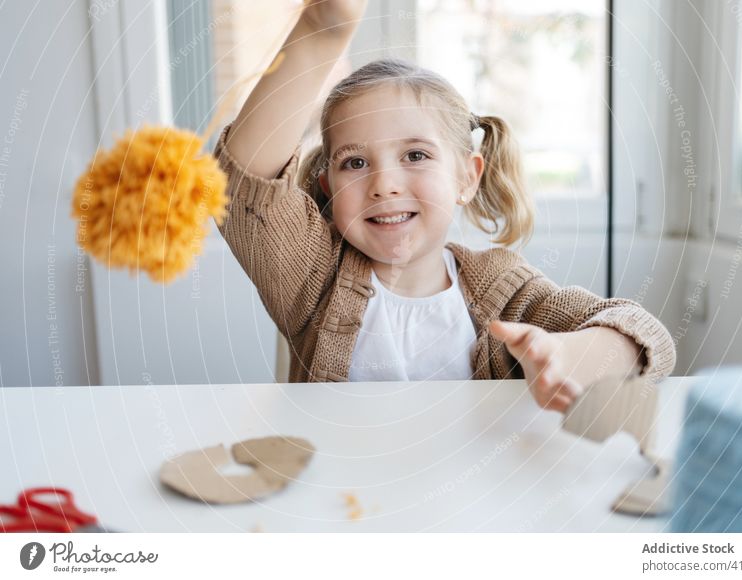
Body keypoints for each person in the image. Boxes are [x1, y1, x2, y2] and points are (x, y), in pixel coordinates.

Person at [215, 0, 676, 412]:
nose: (384, 185)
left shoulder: (504, 292)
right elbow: (242, 183)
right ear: (328, 186)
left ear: (466, 177)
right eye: (355, 162)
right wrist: (323, 28)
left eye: (415, 155)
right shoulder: (313, 274)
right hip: (343, 501)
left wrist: (570, 354)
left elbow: (644, 335)